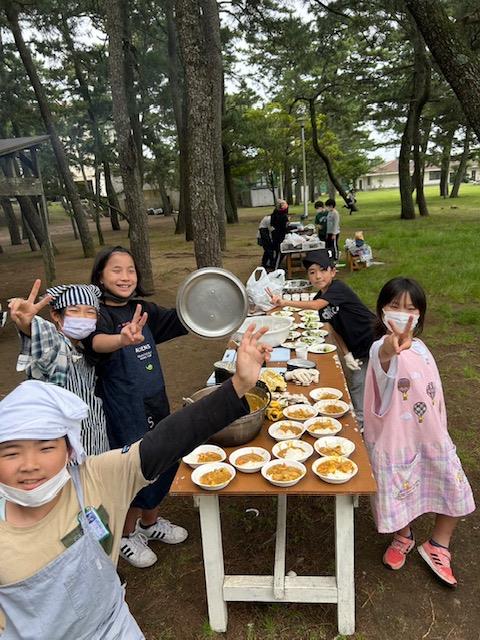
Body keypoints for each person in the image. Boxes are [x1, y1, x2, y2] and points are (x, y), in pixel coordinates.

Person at [0, 325, 270, 639]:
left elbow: (166, 440)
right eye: (11, 452)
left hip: (113, 626)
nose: (29, 466)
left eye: (46, 447)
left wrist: (239, 384)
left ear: (69, 449)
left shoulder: (96, 477)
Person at [363, 278, 475, 586]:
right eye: (395, 306)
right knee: (402, 491)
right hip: (397, 442)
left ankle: (438, 544)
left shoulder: (423, 349)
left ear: (420, 315)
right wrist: (392, 344)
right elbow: (386, 356)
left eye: (411, 308)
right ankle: (404, 534)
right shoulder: (379, 350)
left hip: (433, 438)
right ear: (381, 311)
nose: (402, 314)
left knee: (453, 486)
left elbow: (433, 394)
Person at [84, 246, 189, 568]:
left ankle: (149, 523)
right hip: (122, 407)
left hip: (154, 399)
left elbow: (183, 319)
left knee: (164, 459)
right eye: (116, 270)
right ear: (100, 276)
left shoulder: (143, 309)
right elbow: (93, 342)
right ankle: (127, 535)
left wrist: (229, 306)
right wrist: (120, 340)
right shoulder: (96, 313)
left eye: (130, 270)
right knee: (135, 469)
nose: (125, 276)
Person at [268, 248, 375, 429]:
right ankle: (362, 422)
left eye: (323, 270)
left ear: (333, 271)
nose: (318, 276)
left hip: (373, 338)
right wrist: (346, 354)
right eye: (312, 272)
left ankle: (366, 423)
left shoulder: (338, 288)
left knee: (373, 382)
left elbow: (315, 305)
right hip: (356, 347)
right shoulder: (321, 297)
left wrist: (284, 302)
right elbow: (334, 330)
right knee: (358, 382)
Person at [9, 280, 109, 456]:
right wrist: (27, 324)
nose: (82, 317)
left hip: (96, 451)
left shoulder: (85, 353)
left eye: (90, 312)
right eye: (74, 311)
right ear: (56, 315)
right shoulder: (58, 348)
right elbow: (46, 340)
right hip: (63, 459)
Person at [270, 199, 289, 268]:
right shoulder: (282, 215)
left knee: (279, 251)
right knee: (280, 252)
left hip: (276, 234)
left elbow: (272, 224)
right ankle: (275, 266)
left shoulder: (274, 213)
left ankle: (276, 264)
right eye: (285, 204)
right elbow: (285, 226)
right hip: (279, 235)